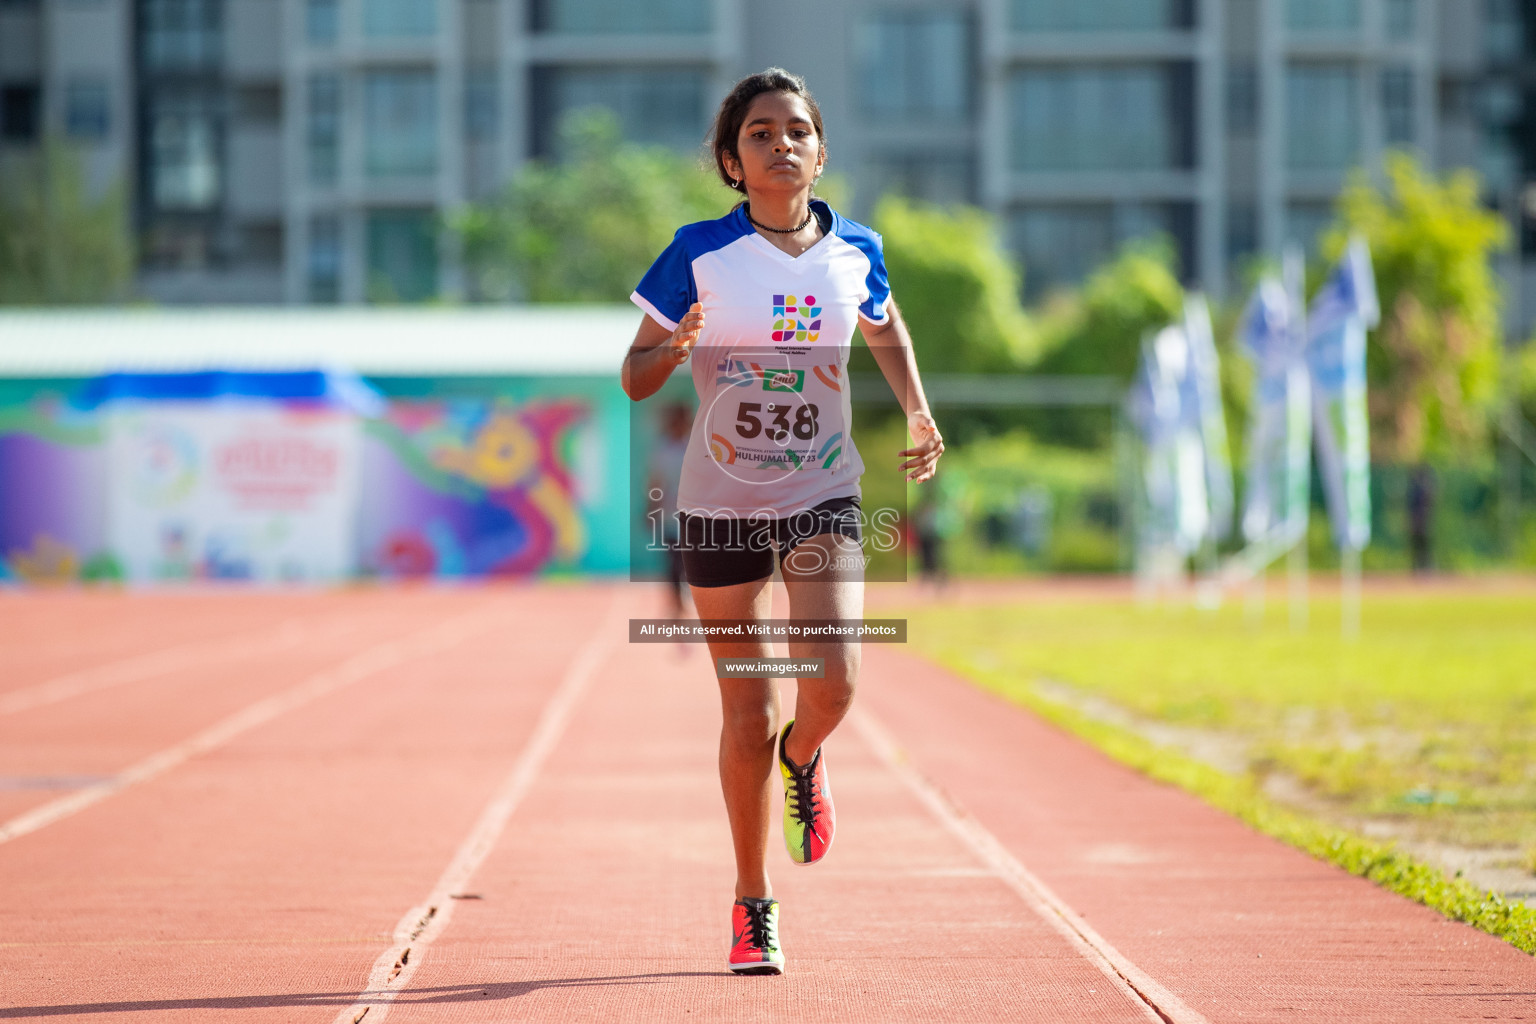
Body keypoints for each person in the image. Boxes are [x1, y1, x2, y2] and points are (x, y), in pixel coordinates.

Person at [620, 68, 944, 976]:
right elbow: (635, 376)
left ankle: (806, 760)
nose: (781, 143)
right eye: (759, 133)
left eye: (797, 129)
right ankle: (751, 904)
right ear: (733, 160)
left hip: (821, 490)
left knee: (833, 682)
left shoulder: (858, 250)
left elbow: (886, 326)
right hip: (719, 502)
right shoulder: (696, 253)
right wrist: (669, 348)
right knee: (747, 708)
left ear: (821, 150)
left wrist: (918, 410)